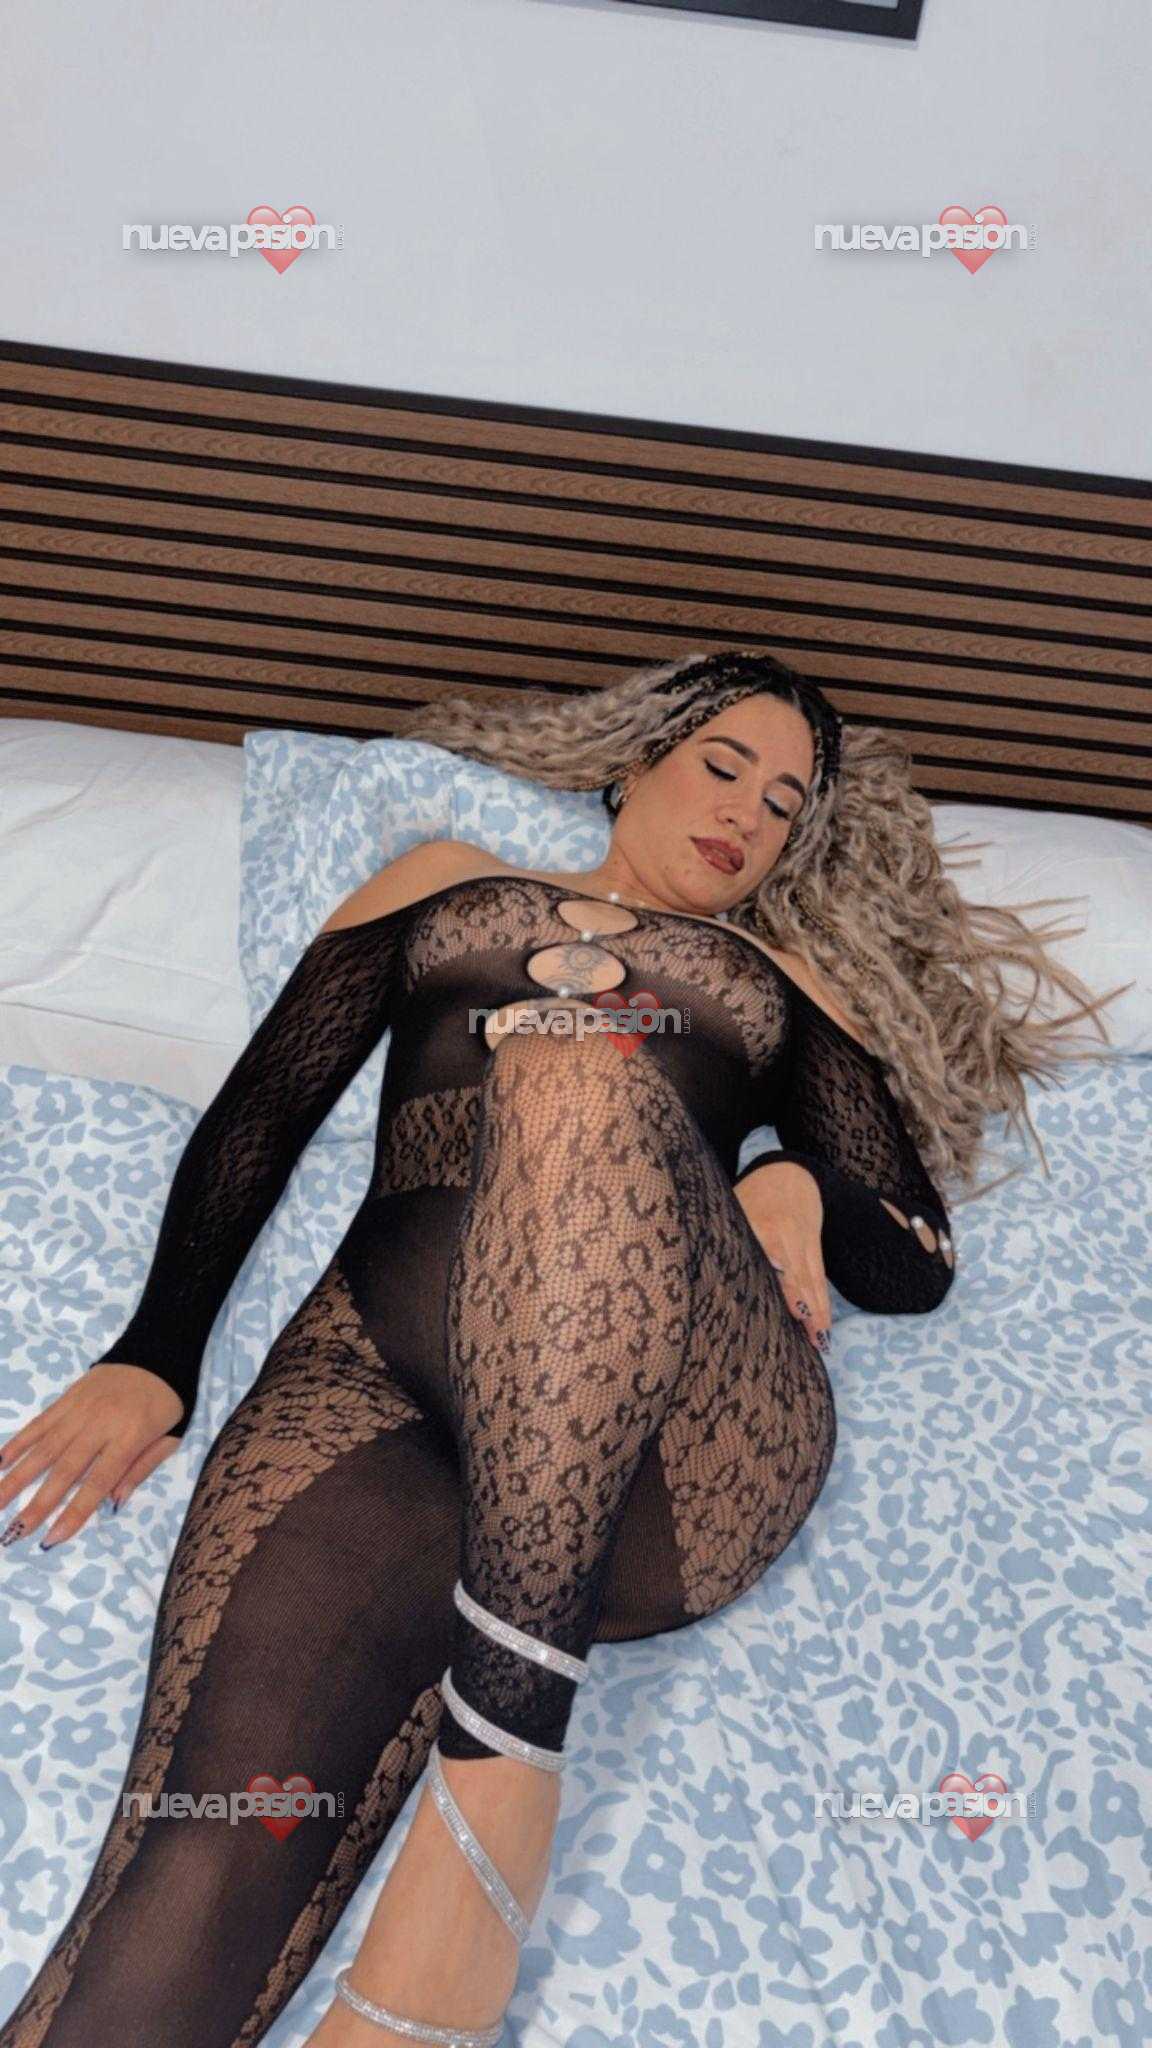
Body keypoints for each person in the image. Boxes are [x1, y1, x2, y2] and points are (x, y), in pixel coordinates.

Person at [0, 648, 1121, 2048]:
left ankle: (499, 1793)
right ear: (635, 763)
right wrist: (157, 1352)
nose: (749, 814)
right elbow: (266, 1107)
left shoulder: (780, 979)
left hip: (676, 1446)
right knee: (200, 1852)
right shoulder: (445, 882)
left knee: (580, 1063)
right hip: (380, 1378)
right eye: (724, 766)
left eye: (785, 805)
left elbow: (918, 1255)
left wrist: (797, 1179)